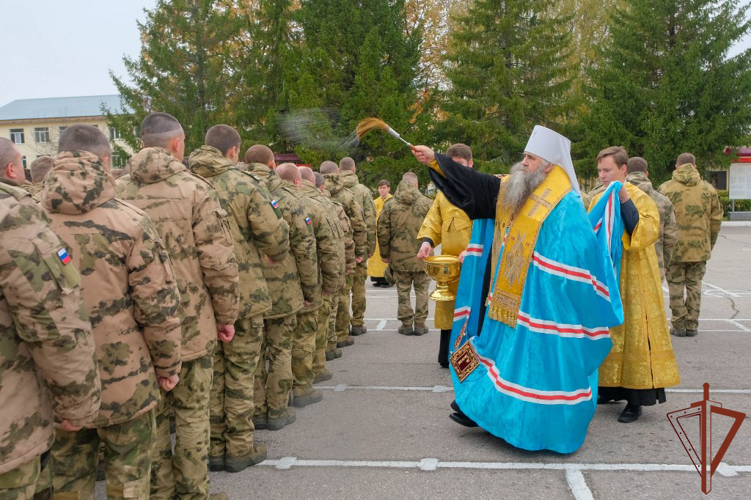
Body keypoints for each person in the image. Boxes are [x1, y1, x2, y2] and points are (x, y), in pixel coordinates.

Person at [411, 126, 624, 453]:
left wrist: (545, 278)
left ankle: (538, 429)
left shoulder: (565, 202)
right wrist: (437, 162)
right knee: (505, 362)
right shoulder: (521, 189)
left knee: (535, 369)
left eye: (530, 157)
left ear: (549, 166)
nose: (522, 162)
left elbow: (577, 252)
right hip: (512, 301)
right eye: (524, 156)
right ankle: (494, 417)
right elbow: (480, 187)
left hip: (546, 308)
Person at [40, 125, 183, 498]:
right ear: (106, 162)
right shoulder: (130, 221)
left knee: (67, 477)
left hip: (54, 379)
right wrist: (168, 366)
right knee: (130, 475)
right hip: (126, 376)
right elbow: (158, 305)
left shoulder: (25, 223)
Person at [118, 113, 240, 499]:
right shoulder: (195, 190)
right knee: (191, 413)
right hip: (192, 322)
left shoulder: (116, 192)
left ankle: (160, 492)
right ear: (176, 144)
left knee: (150, 417)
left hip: (136, 328)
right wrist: (227, 317)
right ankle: (193, 493)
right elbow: (218, 263)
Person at [0, 140, 101, 500]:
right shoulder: (12, 220)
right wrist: (78, 403)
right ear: (13, 169)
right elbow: (51, 323)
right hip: (10, 426)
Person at [189, 125, 290, 473]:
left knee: (210, 377)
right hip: (242, 293)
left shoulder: (183, 183)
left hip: (195, 299)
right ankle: (238, 447)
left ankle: (213, 448)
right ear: (234, 151)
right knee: (241, 373)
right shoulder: (243, 184)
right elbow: (275, 239)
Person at [592, 146, 680, 423]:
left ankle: (635, 399)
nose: (603, 176)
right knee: (609, 332)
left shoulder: (642, 198)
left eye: (607, 170)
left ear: (623, 170)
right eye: (600, 171)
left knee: (635, 335)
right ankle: (609, 388)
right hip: (608, 279)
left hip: (636, 280)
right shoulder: (596, 198)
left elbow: (645, 232)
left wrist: (624, 198)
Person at [245, 146, 318, 431]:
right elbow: (304, 246)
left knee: (251, 356)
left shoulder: (230, 190)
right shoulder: (287, 198)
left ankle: (257, 410)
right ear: (272, 164)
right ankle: (277, 410)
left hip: (246, 291)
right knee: (280, 350)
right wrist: (311, 290)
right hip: (282, 290)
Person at [278, 164, 343, 401]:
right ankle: (304, 384)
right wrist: (330, 281)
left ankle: (275, 397)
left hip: (271, 285)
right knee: (306, 333)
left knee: (278, 343)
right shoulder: (315, 206)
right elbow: (329, 247)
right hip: (305, 279)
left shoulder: (266, 199)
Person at [417, 143, 474, 368]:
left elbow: (486, 227)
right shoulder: (444, 194)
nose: (456, 170)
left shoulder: (479, 191)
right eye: (452, 165)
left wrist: (472, 249)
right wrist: (427, 242)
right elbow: (434, 221)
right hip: (449, 269)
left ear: (470, 164)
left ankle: (470, 358)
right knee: (449, 311)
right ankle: (447, 354)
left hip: (474, 264)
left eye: (460, 165)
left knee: (471, 313)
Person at [659, 153, 723, 337]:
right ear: (695, 167)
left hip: (674, 248)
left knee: (675, 286)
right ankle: (692, 324)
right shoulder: (708, 189)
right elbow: (716, 220)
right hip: (699, 247)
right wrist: (709, 244)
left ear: (676, 166)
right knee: (695, 285)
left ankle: (678, 324)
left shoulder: (665, 189)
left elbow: (660, 220)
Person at [298, 167, 346, 383]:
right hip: (315, 276)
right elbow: (332, 245)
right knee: (315, 325)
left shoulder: (276, 199)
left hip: (284, 280)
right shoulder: (322, 205)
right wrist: (333, 279)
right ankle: (315, 369)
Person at [378, 172, 433, 335]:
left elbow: (382, 231)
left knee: (403, 290)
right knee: (422, 290)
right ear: (416, 185)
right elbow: (436, 228)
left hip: (398, 256)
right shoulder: (427, 203)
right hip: (422, 256)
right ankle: (421, 324)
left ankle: (406, 324)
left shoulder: (389, 205)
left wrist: (384, 253)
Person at [320, 161, 366, 349]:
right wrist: (361, 251)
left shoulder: (315, 193)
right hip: (343, 250)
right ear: (337, 172)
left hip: (319, 253)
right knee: (343, 291)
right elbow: (360, 224)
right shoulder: (348, 195)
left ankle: (326, 338)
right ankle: (341, 333)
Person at [315, 171, 355, 360]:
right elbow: (345, 237)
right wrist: (350, 261)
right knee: (332, 304)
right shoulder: (332, 206)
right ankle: (334, 340)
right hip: (330, 264)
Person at [339, 157, 377, 336]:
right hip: (358, 245)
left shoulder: (333, 189)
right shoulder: (362, 191)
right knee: (359, 286)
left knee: (343, 288)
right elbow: (369, 221)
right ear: (354, 170)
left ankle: (341, 326)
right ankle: (358, 323)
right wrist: (369, 247)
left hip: (338, 247)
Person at [625, 157, 678, 280]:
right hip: (655, 264)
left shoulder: (616, 197)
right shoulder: (663, 201)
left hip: (625, 266)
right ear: (647, 173)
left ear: (626, 172)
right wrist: (664, 263)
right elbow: (671, 236)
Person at [368, 180, 393, 287]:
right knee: (376, 257)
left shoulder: (392, 201)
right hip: (376, 233)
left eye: (384, 188)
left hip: (387, 233)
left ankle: (387, 279)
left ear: (388, 188)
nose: (382, 190)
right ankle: (377, 278)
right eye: (380, 188)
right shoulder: (375, 202)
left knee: (386, 256)